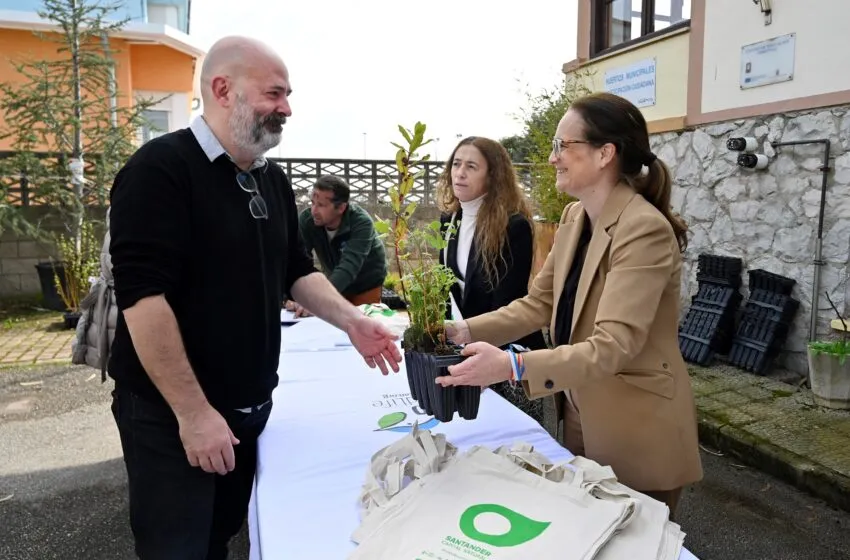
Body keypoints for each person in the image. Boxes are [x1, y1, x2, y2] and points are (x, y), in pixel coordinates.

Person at [107, 36, 401, 560]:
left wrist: (352, 321)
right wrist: (194, 414)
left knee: (218, 538)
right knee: (176, 548)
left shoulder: (272, 179)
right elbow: (143, 300)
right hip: (173, 417)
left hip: (245, 412)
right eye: (274, 94)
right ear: (223, 89)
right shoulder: (159, 170)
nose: (286, 108)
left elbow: (294, 271)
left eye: (287, 95)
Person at [436, 92, 703, 517]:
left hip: (635, 426)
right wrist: (464, 331)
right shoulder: (575, 218)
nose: (552, 156)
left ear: (605, 154)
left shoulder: (643, 230)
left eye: (563, 145)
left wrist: (512, 366)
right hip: (579, 410)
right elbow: (537, 304)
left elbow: (614, 345)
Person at [436, 136, 547, 422]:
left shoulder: (513, 227)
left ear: (493, 176)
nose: (459, 173)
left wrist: (483, 361)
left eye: (471, 166)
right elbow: (446, 290)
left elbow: (508, 304)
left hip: (505, 359)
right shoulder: (448, 221)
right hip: (466, 353)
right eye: (456, 164)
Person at [288, 174, 387, 316]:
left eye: (321, 205)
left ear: (341, 207)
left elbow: (349, 267)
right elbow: (299, 262)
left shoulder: (361, 222)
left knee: (361, 324)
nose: (313, 211)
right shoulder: (307, 221)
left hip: (366, 284)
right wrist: (294, 297)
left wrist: (318, 301)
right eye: (312, 203)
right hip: (333, 280)